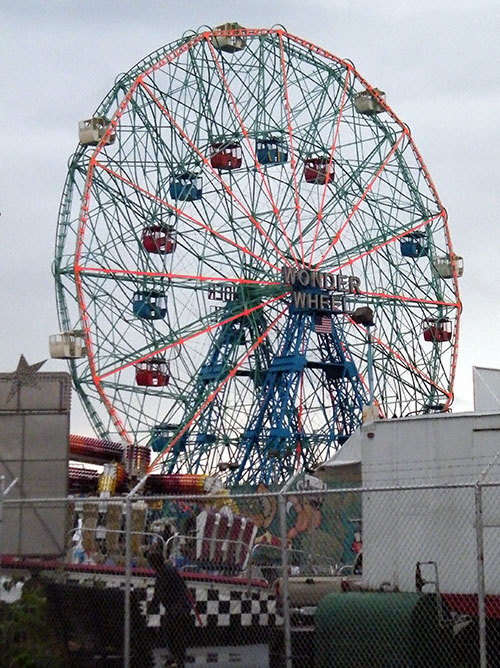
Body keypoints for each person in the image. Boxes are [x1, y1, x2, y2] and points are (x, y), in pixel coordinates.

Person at [146, 545, 195, 668]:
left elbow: (158, 594)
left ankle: (176, 658)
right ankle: (177, 658)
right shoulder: (168, 571)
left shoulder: (163, 574)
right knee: (175, 633)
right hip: (180, 606)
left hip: (177, 607)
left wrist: (151, 609)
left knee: (173, 632)